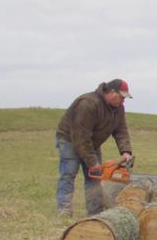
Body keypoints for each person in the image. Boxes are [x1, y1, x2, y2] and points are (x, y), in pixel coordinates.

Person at [56, 79, 133, 216]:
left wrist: (125, 151)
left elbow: (120, 130)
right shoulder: (88, 103)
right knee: (69, 173)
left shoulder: (118, 108)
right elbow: (80, 136)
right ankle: (64, 209)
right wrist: (92, 162)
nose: (123, 101)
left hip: (92, 143)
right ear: (112, 92)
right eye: (121, 97)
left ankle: (95, 212)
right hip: (70, 139)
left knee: (95, 177)